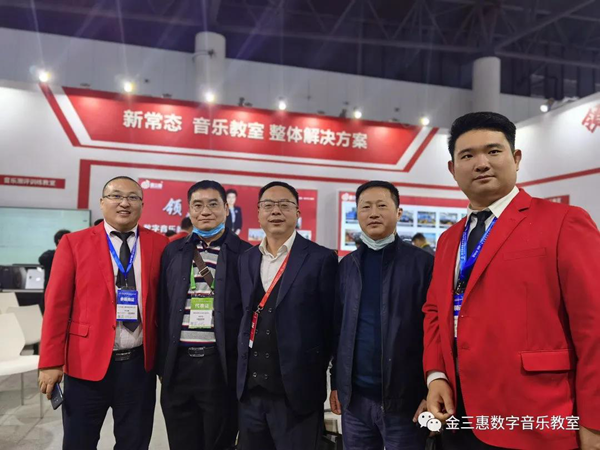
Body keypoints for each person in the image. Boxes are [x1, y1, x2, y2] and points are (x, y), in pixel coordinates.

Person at [423, 112, 600, 449]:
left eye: (493, 151)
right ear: (452, 168)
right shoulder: (449, 240)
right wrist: (437, 375)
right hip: (460, 414)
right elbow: (434, 311)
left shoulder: (563, 222)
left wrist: (595, 420)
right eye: (467, 155)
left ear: (516, 158)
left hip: (538, 417)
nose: (481, 164)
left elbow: (595, 325)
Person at [38, 176, 168, 450]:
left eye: (132, 197)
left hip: (138, 366)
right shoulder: (74, 243)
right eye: (116, 196)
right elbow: (56, 307)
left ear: (142, 205)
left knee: (135, 442)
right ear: (102, 202)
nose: (124, 203)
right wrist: (50, 362)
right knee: (79, 442)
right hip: (85, 364)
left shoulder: (159, 244)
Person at [330, 181, 433, 450]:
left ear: (399, 212)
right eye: (365, 207)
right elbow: (339, 330)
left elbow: (435, 331)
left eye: (381, 206)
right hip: (356, 402)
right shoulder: (347, 266)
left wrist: (430, 391)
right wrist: (337, 383)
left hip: (405, 402)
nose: (373, 213)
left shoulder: (423, 264)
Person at [236, 181, 337, 450]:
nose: (276, 211)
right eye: (268, 205)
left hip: (297, 394)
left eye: (284, 205)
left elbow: (331, 326)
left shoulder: (320, 259)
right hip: (250, 393)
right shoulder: (246, 259)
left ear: (298, 212)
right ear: (258, 213)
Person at [157, 180, 251, 450]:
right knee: (181, 442)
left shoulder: (245, 254)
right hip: (178, 366)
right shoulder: (173, 251)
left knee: (218, 442)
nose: (205, 211)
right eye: (197, 205)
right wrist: (163, 364)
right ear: (189, 210)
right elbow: (163, 308)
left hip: (220, 367)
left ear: (226, 209)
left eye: (213, 204)